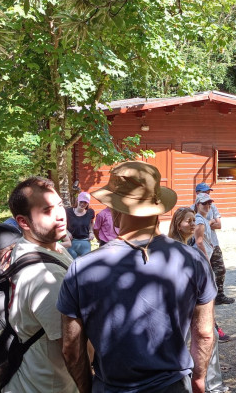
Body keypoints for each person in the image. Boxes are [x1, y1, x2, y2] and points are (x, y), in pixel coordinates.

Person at [58, 161, 216, 393]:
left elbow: (71, 347)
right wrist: (199, 380)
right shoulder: (192, 260)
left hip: (111, 387)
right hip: (172, 386)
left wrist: (86, 388)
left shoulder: (82, 268)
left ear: (115, 208)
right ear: (158, 205)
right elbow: (203, 333)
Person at [3, 177, 77, 393]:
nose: (60, 215)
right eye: (46, 210)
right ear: (24, 222)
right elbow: (72, 346)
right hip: (48, 385)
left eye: (60, 206)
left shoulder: (46, 248)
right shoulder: (44, 274)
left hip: (33, 376)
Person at [168, 207, 230, 393]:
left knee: (211, 337)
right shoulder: (173, 248)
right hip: (181, 306)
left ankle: (213, 384)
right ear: (178, 224)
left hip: (196, 304)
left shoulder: (191, 244)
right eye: (188, 221)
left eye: (194, 221)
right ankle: (185, 383)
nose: (193, 224)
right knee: (181, 343)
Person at [194, 194, 232, 344]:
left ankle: (213, 330)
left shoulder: (202, 219)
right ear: (197, 204)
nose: (207, 206)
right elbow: (198, 242)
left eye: (209, 203)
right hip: (201, 263)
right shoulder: (198, 220)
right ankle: (213, 331)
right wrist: (206, 261)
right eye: (204, 203)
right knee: (206, 298)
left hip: (201, 262)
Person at [195, 183, 234, 305]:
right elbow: (195, 229)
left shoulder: (212, 207)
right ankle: (202, 298)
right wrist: (209, 222)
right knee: (202, 272)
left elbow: (219, 225)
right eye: (204, 192)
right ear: (197, 193)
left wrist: (208, 222)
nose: (207, 194)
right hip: (202, 245)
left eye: (208, 192)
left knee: (220, 270)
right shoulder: (192, 209)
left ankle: (219, 295)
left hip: (213, 243)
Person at [66, 191, 95, 258]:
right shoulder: (68, 211)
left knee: (85, 265)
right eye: (81, 201)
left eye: (85, 202)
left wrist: (91, 232)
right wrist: (67, 232)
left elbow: (91, 222)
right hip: (71, 242)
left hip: (85, 242)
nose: (82, 204)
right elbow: (62, 224)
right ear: (77, 200)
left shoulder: (90, 212)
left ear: (88, 203)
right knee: (71, 264)